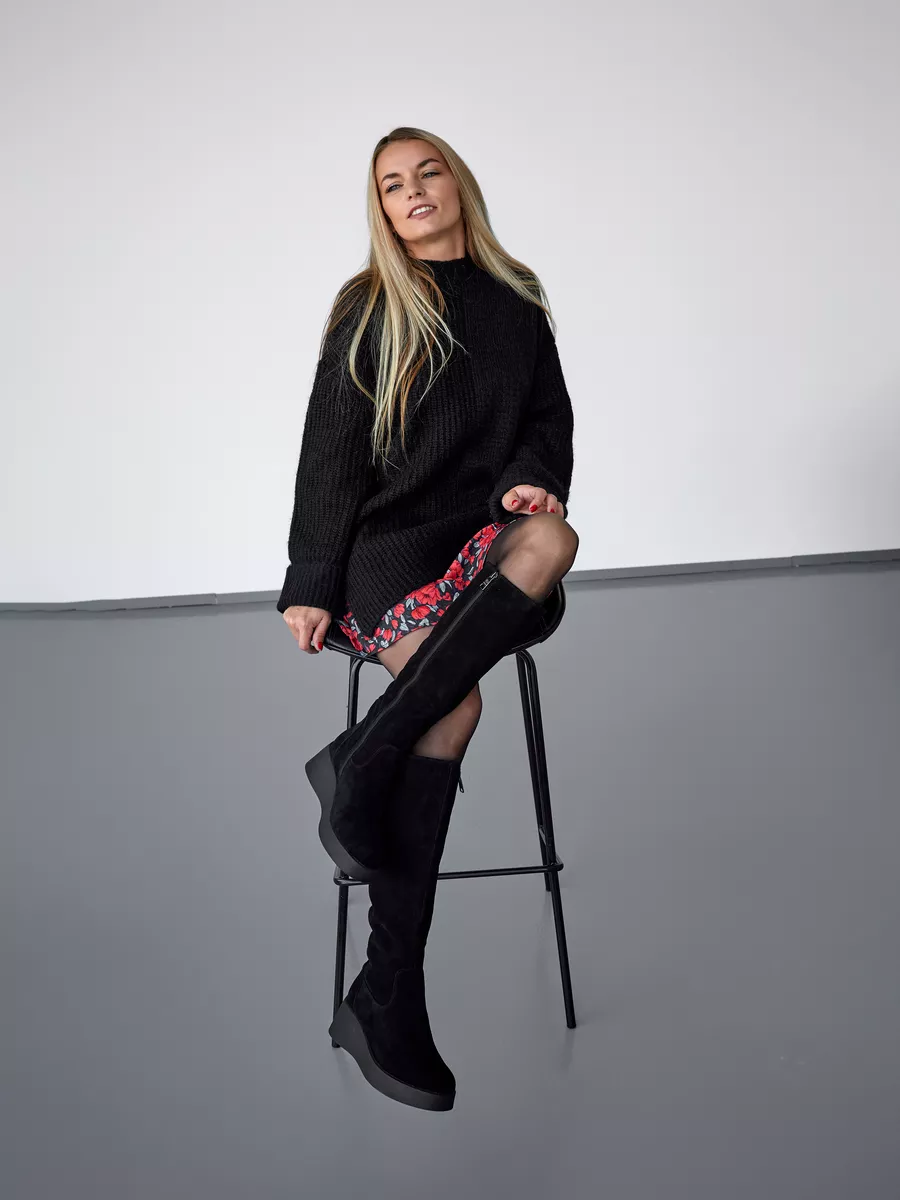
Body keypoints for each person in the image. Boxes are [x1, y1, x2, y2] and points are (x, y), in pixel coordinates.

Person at [277, 126, 578, 1111]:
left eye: (427, 172)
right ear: (382, 209)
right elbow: (330, 443)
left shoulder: (518, 296)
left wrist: (530, 479)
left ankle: (361, 761)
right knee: (455, 708)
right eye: (391, 185)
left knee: (554, 539)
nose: (412, 193)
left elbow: (549, 420)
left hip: (483, 534)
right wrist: (313, 575)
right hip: (392, 546)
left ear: (458, 183)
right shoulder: (370, 304)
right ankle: (388, 990)